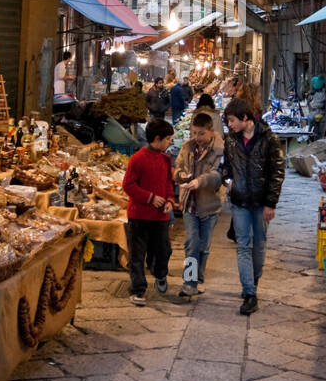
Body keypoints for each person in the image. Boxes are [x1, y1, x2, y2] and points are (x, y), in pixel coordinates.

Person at [219, 97, 285, 316]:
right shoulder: (230, 140)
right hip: (239, 201)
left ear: (245, 118)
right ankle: (249, 293)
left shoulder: (269, 139)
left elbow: (277, 173)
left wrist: (271, 203)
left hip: (260, 202)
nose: (229, 124)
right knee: (243, 246)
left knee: (259, 245)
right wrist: (228, 182)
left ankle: (253, 280)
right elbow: (225, 167)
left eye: (231, 120)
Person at [121, 118, 175, 305]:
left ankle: (160, 274)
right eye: (168, 139)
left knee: (163, 250)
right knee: (137, 255)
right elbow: (128, 185)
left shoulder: (165, 160)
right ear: (157, 139)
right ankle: (138, 289)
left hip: (160, 216)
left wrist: (169, 200)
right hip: (139, 215)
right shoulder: (137, 159)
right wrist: (150, 198)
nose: (170, 143)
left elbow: (169, 183)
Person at [173, 111, 224, 297]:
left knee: (204, 246)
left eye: (201, 133)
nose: (197, 137)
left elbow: (218, 176)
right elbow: (177, 168)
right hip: (189, 204)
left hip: (209, 204)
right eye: (194, 133)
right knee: (191, 243)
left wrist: (199, 181)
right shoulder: (187, 147)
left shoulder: (219, 149)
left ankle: (198, 278)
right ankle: (189, 282)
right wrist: (180, 175)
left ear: (211, 131)